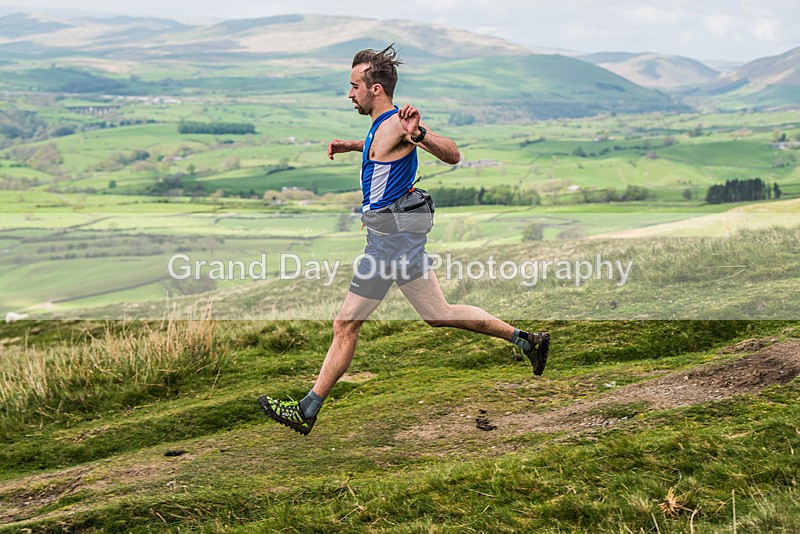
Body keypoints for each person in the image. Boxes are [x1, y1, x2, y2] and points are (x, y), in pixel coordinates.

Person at [259, 45, 549, 436]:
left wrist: (422, 133)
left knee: (345, 324)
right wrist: (352, 145)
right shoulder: (381, 126)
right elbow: (383, 150)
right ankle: (528, 341)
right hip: (394, 241)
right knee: (439, 314)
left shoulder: (398, 123)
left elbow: (453, 154)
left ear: (375, 89)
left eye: (354, 86)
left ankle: (307, 409)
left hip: (388, 246)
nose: (350, 94)